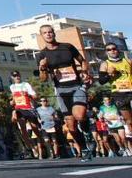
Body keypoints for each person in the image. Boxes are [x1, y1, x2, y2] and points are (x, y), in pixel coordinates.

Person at [36, 24, 93, 161]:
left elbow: (82, 61)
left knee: (79, 115)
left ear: (54, 33)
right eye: (45, 33)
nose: (48, 34)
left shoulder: (67, 47)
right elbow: (43, 79)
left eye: (50, 32)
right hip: (61, 90)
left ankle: (86, 130)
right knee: (71, 125)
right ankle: (84, 149)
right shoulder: (41, 55)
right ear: (42, 36)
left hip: (76, 86)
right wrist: (43, 68)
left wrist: (85, 73)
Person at [99, 42, 132, 146]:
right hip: (119, 94)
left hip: (131, 89)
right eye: (109, 49)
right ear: (106, 52)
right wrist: (109, 74)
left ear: (117, 50)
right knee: (129, 121)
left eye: (113, 48)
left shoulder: (127, 60)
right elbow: (101, 81)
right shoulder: (105, 64)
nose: (112, 51)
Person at [8, 70, 43, 159]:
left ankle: (42, 144)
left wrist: (27, 94)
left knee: (35, 128)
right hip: (19, 109)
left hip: (29, 108)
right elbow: (12, 99)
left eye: (18, 75)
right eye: (14, 76)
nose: (17, 77)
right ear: (12, 77)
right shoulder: (12, 87)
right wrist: (12, 102)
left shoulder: (26, 84)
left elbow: (35, 96)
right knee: (23, 130)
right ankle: (32, 148)